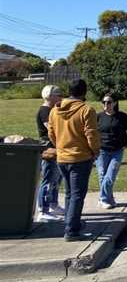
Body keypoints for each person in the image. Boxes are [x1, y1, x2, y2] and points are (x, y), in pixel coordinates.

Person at [48, 79, 100, 241]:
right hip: (80, 157)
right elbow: (91, 134)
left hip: (62, 157)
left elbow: (51, 132)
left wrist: (60, 146)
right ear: (84, 92)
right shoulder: (86, 110)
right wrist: (95, 151)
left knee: (70, 194)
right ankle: (71, 230)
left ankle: (72, 223)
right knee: (77, 195)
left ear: (68, 91)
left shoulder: (55, 110)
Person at [95, 92, 127, 209]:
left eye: (109, 102)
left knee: (110, 176)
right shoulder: (98, 117)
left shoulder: (122, 117)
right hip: (101, 151)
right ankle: (108, 198)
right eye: (103, 102)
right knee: (103, 175)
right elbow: (90, 133)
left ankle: (103, 198)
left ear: (115, 103)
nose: (106, 104)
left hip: (117, 151)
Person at [35, 85, 64, 222]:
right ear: (50, 96)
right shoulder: (44, 111)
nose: (61, 97)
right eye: (58, 94)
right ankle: (43, 210)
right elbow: (52, 129)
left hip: (56, 149)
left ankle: (53, 204)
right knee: (48, 178)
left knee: (56, 179)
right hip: (49, 150)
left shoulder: (52, 110)